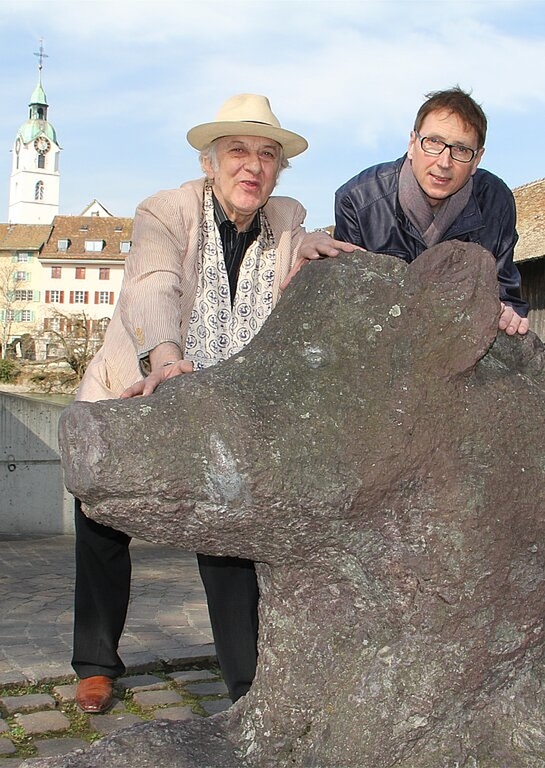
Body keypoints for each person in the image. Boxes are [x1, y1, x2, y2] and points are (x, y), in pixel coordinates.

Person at [72, 93, 355, 714]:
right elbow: (153, 285)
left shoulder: (287, 223)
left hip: (218, 407)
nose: (252, 166)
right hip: (139, 382)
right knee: (100, 521)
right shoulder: (166, 210)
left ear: (279, 170)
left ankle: (244, 683)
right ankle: (95, 663)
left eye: (267, 154)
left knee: (228, 526)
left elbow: (294, 269)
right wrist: (167, 357)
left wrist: (308, 253)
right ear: (210, 162)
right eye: (238, 151)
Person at [334, 86, 529, 336]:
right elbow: (347, 300)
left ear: (477, 160)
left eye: (460, 149)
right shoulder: (358, 200)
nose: (444, 162)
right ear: (412, 143)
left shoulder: (495, 201)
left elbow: (505, 289)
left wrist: (509, 310)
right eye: (433, 142)